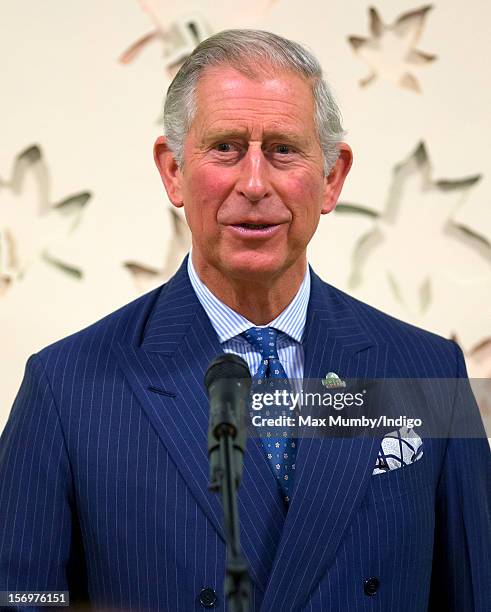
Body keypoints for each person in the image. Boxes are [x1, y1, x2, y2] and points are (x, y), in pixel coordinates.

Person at [0, 29, 489, 612]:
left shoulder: (426, 371)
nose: (254, 184)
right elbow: (22, 597)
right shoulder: (67, 386)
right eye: (226, 148)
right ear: (173, 170)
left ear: (332, 177)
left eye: (284, 149)